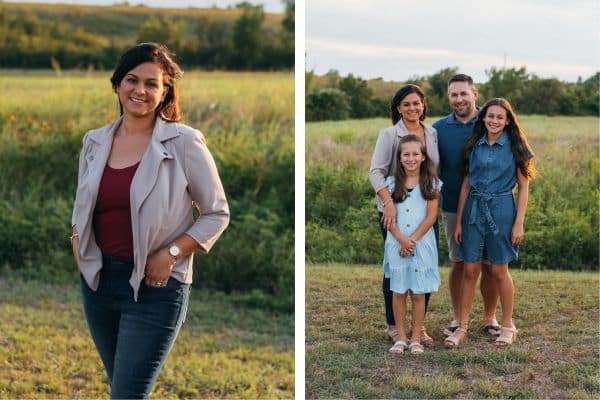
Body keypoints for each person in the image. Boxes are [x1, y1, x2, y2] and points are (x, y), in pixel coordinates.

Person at [70, 43, 230, 398]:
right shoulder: (94, 141)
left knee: (127, 394)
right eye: (131, 80)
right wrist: (77, 241)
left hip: (157, 287)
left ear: (165, 91)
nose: (140, 90)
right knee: (122, 388)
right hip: (98, 283)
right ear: (117, 84)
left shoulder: (184, 142)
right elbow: (85, 204)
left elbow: (217, 212)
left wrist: (172, 252)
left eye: (151, 83)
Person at [444, 97, 536, 348]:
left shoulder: (516, 147)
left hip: (502, 209)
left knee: (497, 270)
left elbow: (524, 187)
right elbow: (466, 184)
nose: (494, 120)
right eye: (490, 116)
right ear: (482, 118)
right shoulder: (474, 145)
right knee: (470, 269)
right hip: (473, 209)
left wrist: (519, 223)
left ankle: (507, 325)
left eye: (499, 117)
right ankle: (461, 327)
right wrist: (461, 221)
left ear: (507, 121)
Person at [369, 84, 439, 346]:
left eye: (416, 103)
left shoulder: (431, 133)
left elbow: (433, 169)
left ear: (423, 106)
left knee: (424, 264)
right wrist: (387, 204)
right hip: (394, 210)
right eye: (406, 104)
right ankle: (394, 326)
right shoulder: (390, 134)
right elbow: (375, 172)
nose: (412, 108)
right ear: (398, 108)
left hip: (424, 210)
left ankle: (417, 329)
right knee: (395, 268)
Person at [433, 74, 501, 337]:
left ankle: (489, 317)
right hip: (452, 205)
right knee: (459, 263)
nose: (459, 99)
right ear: (448, 97)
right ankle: (458, 317)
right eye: (453, 94)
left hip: (490, 206)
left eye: (464, 93)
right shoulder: (438, 129)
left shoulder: (490, 121)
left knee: (488, 264)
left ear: (475, 93)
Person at [384, 135, 441, 355]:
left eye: (415, 154)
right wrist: (401, 239)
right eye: (405, 154)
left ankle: (416, 337)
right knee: (398, 291)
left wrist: (412, 241)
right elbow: (388, 219)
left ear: (423, 157)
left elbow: (431, 218)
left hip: (421, 245)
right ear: (399, 158)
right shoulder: (390, 185)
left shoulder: (432, 184)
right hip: (396, 244)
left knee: (418, 293)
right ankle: (400, 337)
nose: (411, 158)